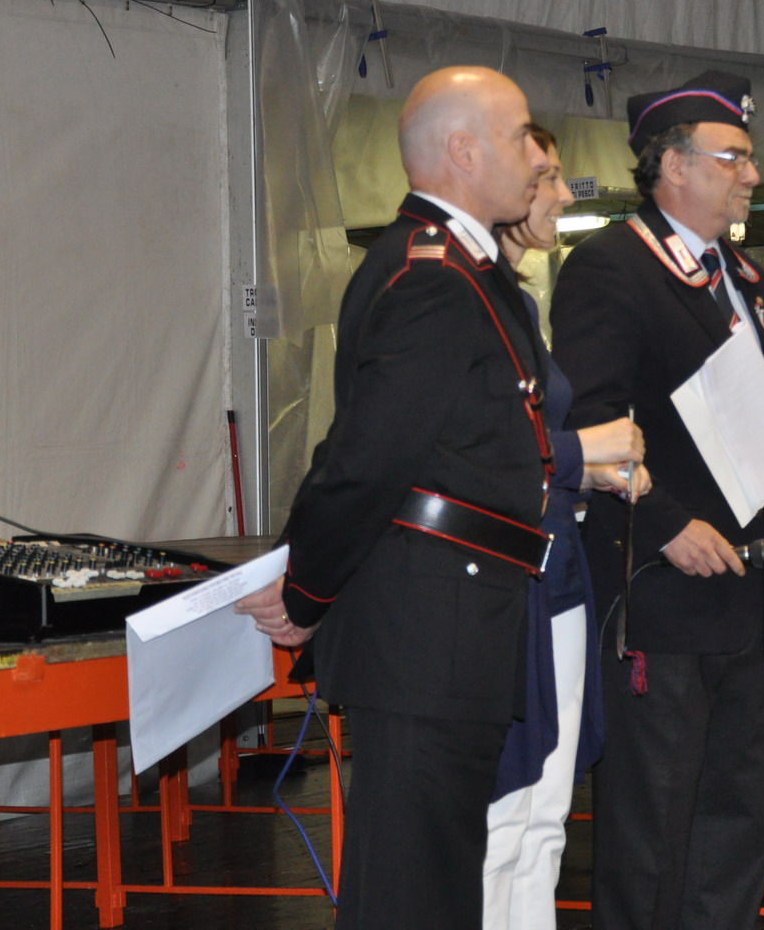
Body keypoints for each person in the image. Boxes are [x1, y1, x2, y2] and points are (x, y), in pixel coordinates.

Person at [235, 66, 564, 930]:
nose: (536, 157)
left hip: (457, 617)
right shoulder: (433, 276)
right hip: (429, 626)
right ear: (463, 150)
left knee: (437, 880)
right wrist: (307, 590)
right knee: (412, 890)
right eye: (519, 136)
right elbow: (367, 457)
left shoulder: (467, 268)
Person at [550, 70, 764, 929]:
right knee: (654, 824)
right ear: (672, 165)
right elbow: (587, 423)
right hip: (662, 589)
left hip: (750, 586)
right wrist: (664, 525)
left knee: (739, 813)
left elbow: (746, 414)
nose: (751, 174)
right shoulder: (611, 267)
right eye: (733, 157)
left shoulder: (741, 273)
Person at [483, 127, 652, 930]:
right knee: (503, 816)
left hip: (558, 580)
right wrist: (583, 453)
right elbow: (475, 451)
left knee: (545, 817)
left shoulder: (519, 305)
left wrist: (589, 474)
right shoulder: (465, 303)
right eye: (545, 177)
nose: (559, 195)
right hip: (504, 589)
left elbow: (532, 451)